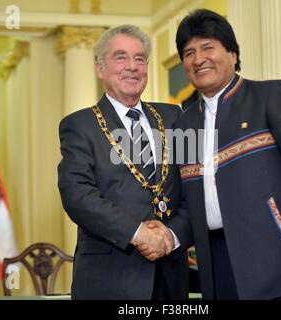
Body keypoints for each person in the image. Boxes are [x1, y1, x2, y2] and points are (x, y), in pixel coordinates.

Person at [174, 9, 281, 300]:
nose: (198, 59)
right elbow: (185, 198)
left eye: (208, 47)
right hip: (214, 267)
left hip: (279, 262)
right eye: (189, 52)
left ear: (233, 54)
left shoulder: (271, 96)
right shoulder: (184, 124)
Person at [58, 24, 189, 299]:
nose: (132, 66)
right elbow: (78, 196)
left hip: (171, 278)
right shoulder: (79, 125)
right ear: (100, 68)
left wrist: (172, 237)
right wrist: (139, 233)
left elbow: (193, 188)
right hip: (110, 280)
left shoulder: (173, 117)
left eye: (140, 58)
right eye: (121, 57)